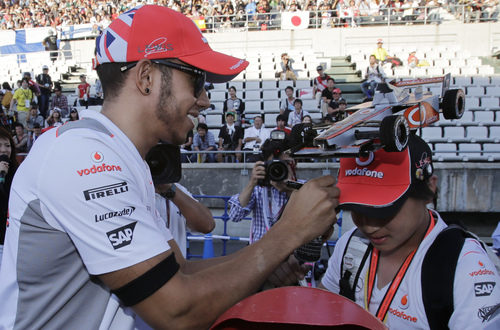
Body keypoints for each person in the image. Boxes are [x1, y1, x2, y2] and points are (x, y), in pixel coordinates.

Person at [0, 6, 339, 329]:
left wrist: (263, 267)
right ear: (146, 77)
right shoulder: (83, 156)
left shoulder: (117, 156)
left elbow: (180, 272)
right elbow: (177, 311)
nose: (205, 100)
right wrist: (289, 232)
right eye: (198, 81)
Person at [319, 134, 500, 329]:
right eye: (357, 208)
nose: (369, 226)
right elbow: (321, 312)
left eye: (385, 209)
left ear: (430, 189)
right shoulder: (350, 244)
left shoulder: (465, 266)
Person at [229, 138, 298, 243]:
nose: (278, 168)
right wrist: (252, 182)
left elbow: (312, 215)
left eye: (284, 163)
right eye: (274, 164)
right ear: (265, 164)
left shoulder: (302, 187)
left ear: (293, 164)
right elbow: (234, 215)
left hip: (290, 254)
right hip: (260, 254)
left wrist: (289, 189)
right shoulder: (258, 189)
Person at [152, 179, 215, 258]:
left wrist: (170, 190)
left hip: (177, 266)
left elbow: (207, 225)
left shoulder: (175, 188)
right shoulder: (134, 191)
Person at [0, 127, 18, 265]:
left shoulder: (17, 173)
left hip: (11, 239)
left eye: (7, 145)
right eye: (0, 145)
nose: (4, 150)